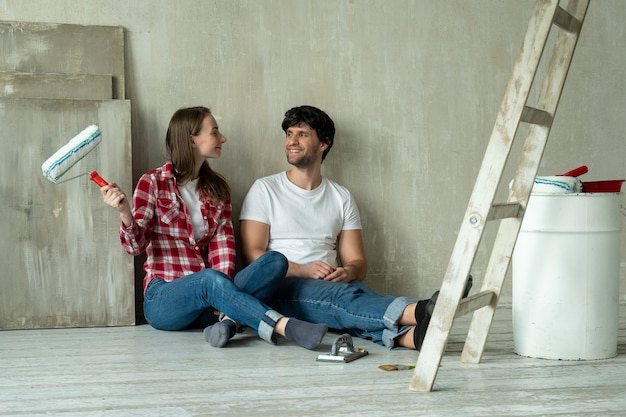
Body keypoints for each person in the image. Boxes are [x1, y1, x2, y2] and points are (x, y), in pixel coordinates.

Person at [238, 105, 471, 350]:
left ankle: (414, 338)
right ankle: (426, 309)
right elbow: (254, 255)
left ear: (324, 143)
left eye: (302, 134)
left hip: (333, 284)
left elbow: (358, 262)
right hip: (282, 286)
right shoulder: (265, 189)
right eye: (289, 134)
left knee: (357, 298)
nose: (292, 141)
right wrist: (302, 269)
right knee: (342, 300)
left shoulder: (341, 196)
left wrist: (347, 272)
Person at [98, 106, 328, 350]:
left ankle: (228, 323)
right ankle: (284, 326)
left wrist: (223, 298)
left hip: (210, 306)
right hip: (165, 300)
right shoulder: (152, 182)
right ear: (192, 140)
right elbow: (135, 247)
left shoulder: (217, 189)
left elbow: (224, 252)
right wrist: (125, 213)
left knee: (275, 261)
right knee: (208, 279)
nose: (223, 138)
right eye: (215, 132)